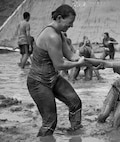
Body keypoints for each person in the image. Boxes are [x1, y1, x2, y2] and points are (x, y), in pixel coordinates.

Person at [27, 4, 85, 137]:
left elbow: (71, 56)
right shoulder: (51, 36)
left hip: (53, 78)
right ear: (59, 18)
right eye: (69, 23)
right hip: (38, 82)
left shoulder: (60, 34)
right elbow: (60, 65)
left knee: (75, 102)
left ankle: (76, 135)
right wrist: (77, 64)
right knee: (50, 121)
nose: (71, 26)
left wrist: (85, 60)